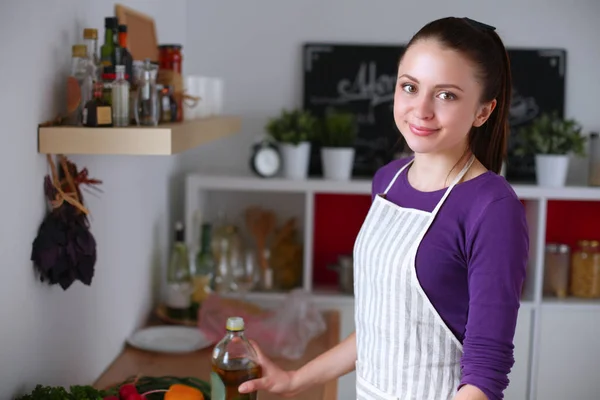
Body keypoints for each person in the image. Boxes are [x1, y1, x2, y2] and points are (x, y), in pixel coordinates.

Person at [239, 16, 529, 400]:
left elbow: (485, 372)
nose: (421, 110)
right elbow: (382, 327)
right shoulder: (387, 181)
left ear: (483, 111)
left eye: (446, 95)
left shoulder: (492, 207)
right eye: (410, 87)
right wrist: (295, 380)